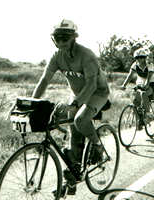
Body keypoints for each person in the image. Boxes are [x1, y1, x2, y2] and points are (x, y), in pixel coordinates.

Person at [32, 19, 110, 196]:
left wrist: (75, 104)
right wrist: (32, 102)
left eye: (65, 38)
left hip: (97, 92)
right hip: (77, 93)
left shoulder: (86, 55)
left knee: (80, 119)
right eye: (57, 38)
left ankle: (98, 146)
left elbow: (91, 84)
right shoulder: (57, 56)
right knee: (67, 128)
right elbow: (44, 80)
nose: (60, 42)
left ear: (74, 37)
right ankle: (72, 178)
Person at [120, 48, 154, 129]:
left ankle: (148, 114)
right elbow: (130, 75)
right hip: (141, 82)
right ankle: (139, 122)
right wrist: (124, 85)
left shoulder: (149, 64)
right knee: (135, 103)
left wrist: (147, 84)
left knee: (144, 94)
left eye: (141, 57)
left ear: (145, 57)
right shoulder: (135, 65)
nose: (139, 59)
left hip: (151, 83)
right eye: (137, 57)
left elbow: (149, 76)